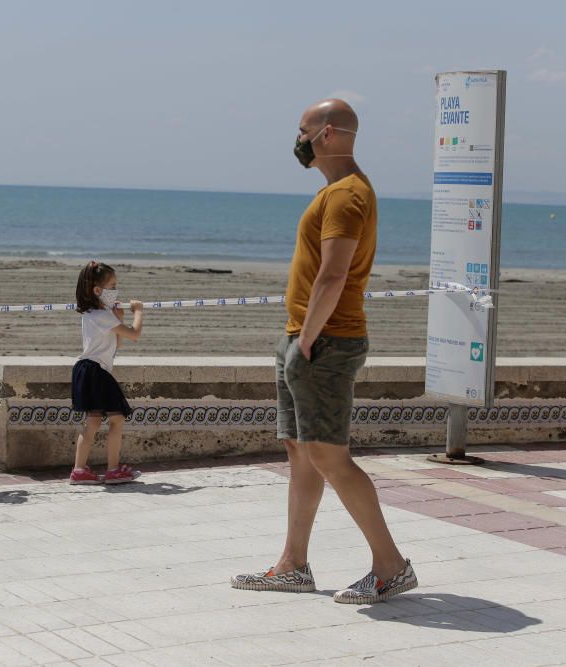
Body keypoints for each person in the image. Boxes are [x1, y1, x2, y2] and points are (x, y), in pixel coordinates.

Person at [232, 99, 417, 604]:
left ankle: (391, 566)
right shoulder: (335, 191)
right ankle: (293, 565)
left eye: (303, 130)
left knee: (330, 457)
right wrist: (297, 337)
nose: (297, 140)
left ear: (328, 134)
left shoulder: (347, 196)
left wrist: (308, 341)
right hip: (305, 338)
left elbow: (334, 275)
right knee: (302, 452)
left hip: (324, 344)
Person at [69, 261, 144, 485]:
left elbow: (116, 344)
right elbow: (134, 334)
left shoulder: (94, 314)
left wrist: (118, 319)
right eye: (113, 286)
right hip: (96, 371)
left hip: (86, 370)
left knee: (92, 423)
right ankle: (113, 470)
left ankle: (79, 470)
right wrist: (138, 312)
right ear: (98, 290)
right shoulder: (102, 316)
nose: (116, 291)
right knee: (117, 419)